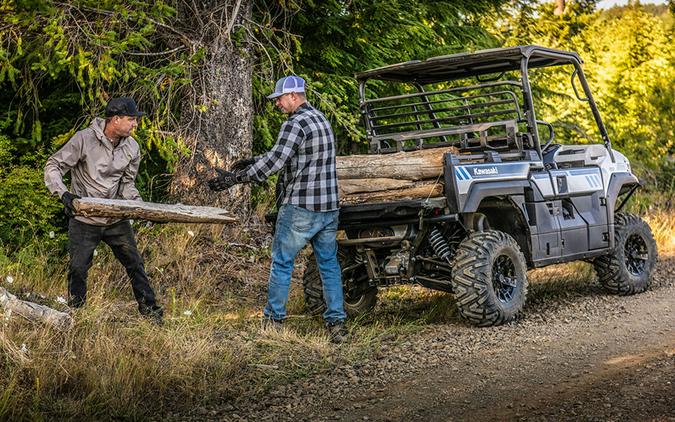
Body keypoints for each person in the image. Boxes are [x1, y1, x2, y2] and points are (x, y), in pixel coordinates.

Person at [207, 76, 348, 343]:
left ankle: (274, 320)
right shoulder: (322, 120)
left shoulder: (294, 124)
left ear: (294, 96)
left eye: (280, 99)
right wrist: (253, 161)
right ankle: (337, 323)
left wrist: (235, 178)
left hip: (300, 207)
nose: (278, 104)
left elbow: (275, 162)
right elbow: (288, 155)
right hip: (329, 208)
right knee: (328, 265)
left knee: (282, 262)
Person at [44, 97, 163, 322]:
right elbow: (53, 165)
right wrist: (63, 194)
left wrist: (144, 210)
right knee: (78, 268)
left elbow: (127, 186)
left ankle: (152, 315)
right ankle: (77, 316)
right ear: (115, 120)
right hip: (85, 218)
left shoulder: (132, 147)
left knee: (135, 264)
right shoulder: (84, 140)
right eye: (131, 119)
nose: (135, 124)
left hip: (115, 219)